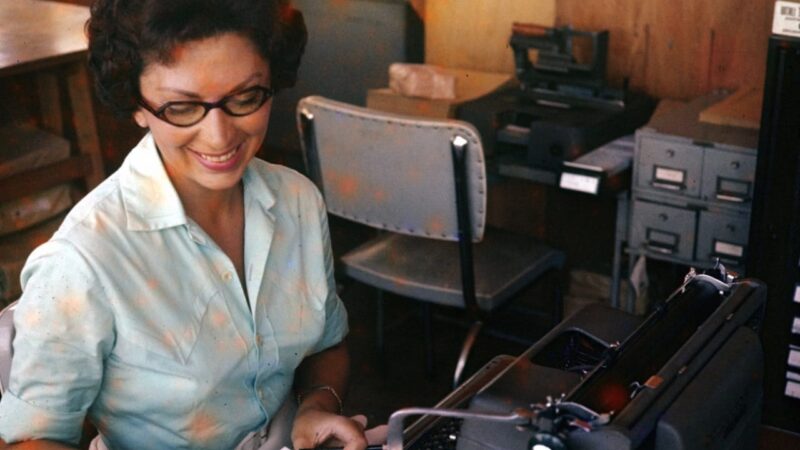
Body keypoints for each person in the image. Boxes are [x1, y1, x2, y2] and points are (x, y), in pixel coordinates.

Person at [0, 0, 370, 449]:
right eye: (180, 107)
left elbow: (326, 344)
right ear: (137, 105)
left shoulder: (298, 202)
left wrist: (316, 407)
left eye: (245, 97)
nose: (219, 136)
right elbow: (31, 438)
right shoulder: (85, 261)